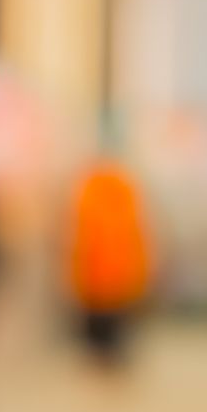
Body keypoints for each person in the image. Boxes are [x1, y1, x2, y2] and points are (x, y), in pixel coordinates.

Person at [66, 153, 152, 369]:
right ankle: (106, 357)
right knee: (108, 323)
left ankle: (105, 357)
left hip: (103, 275)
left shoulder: (93, 190)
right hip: (108, 274)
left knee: (108, 323)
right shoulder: (118, 190)